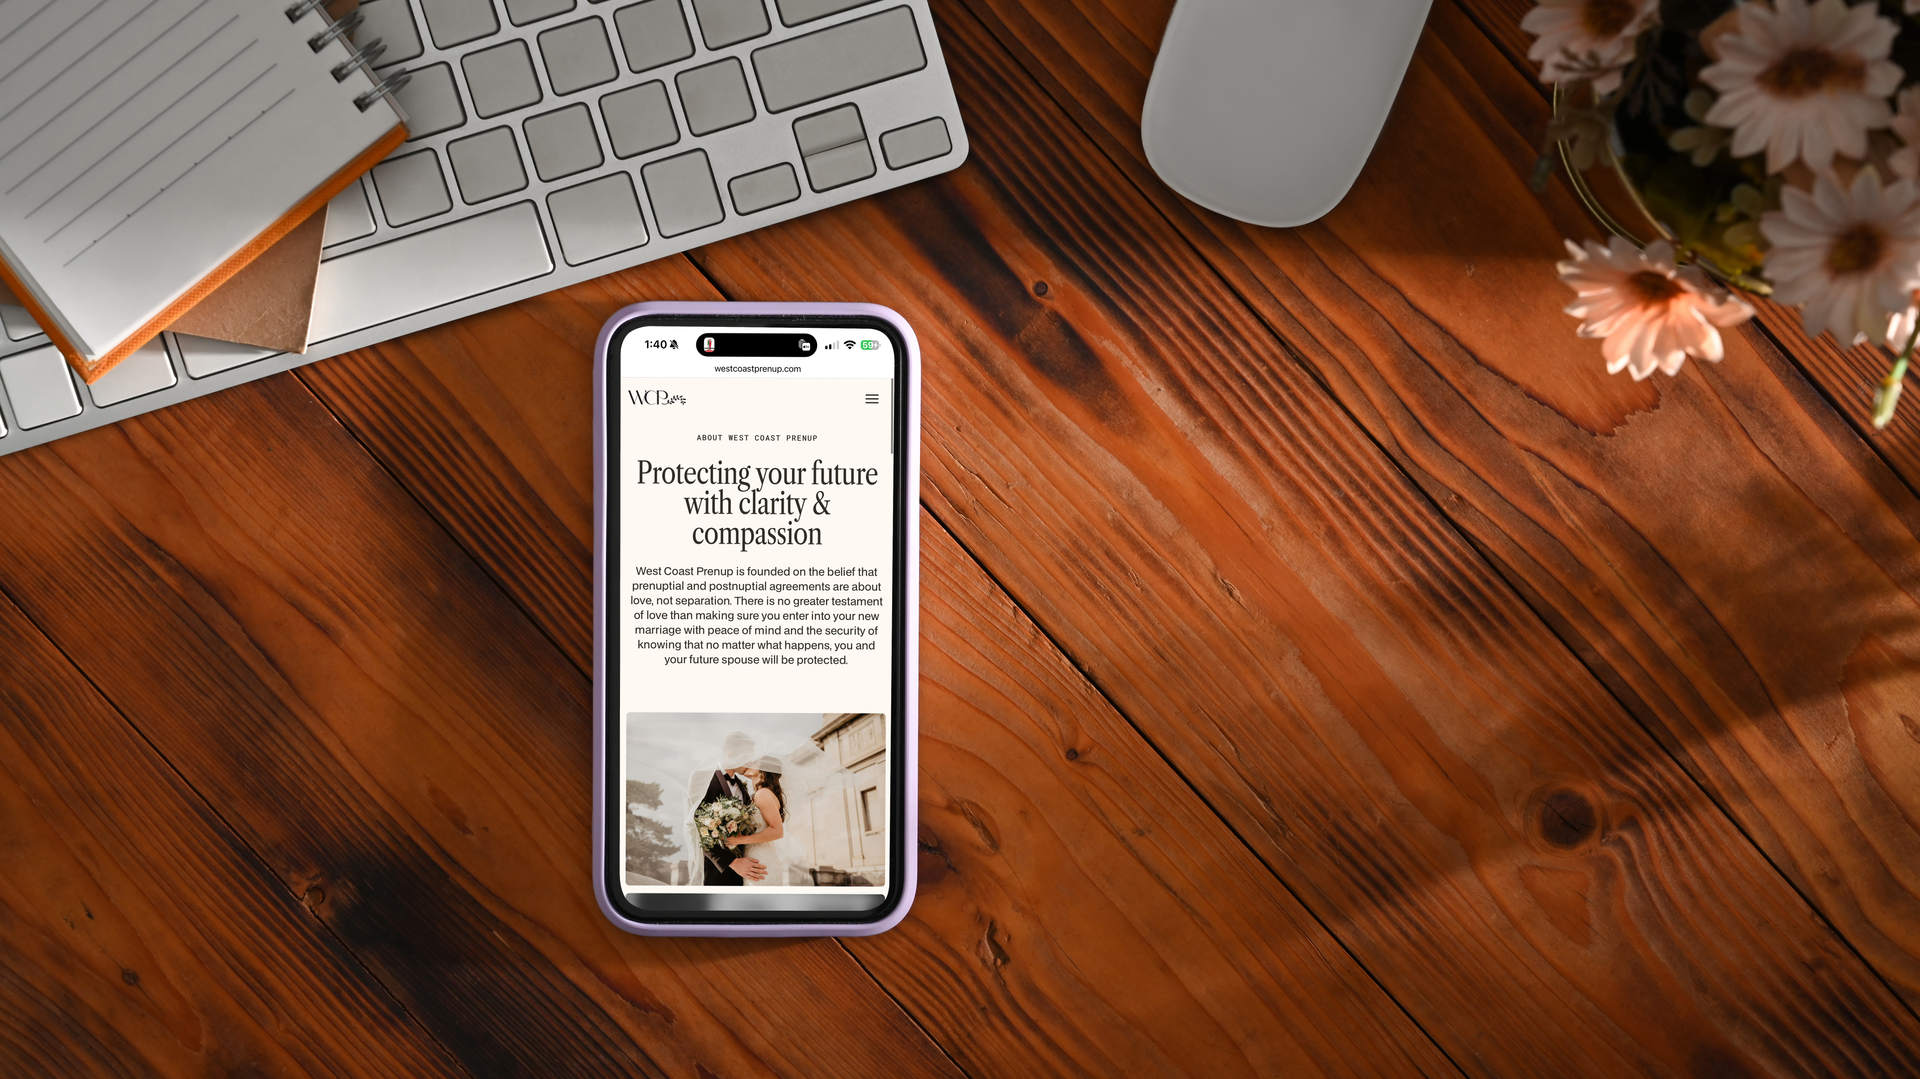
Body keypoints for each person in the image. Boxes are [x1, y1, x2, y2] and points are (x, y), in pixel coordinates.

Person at [686, 731, 766, 885]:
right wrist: (733, 863)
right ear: (730, 754)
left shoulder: (743, 789)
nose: (750, 762)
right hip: (717, 870)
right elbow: (696, 826)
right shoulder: (701, 778)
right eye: (746, 757)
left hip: (747, 871)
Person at [729, 754, 793, 888]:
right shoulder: (760, 794)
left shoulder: (763, 793)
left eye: (754, 762)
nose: (749, 763)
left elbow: (777, 831)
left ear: (764, 769)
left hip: (762, 864)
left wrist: (740, 840)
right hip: (755, 862)